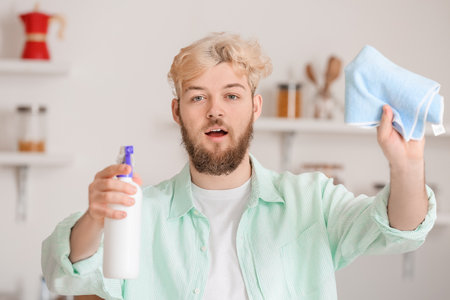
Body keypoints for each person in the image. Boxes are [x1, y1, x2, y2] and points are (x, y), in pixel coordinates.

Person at [42, 32, 436, 300]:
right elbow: (63, 272)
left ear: (254, 107)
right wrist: (96, 216)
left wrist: (408, 166)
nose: (215, 110)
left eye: (231, 95)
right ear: (178, 112)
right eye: (198, 98)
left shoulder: (311, 200)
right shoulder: (139, 214)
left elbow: (401, 231)